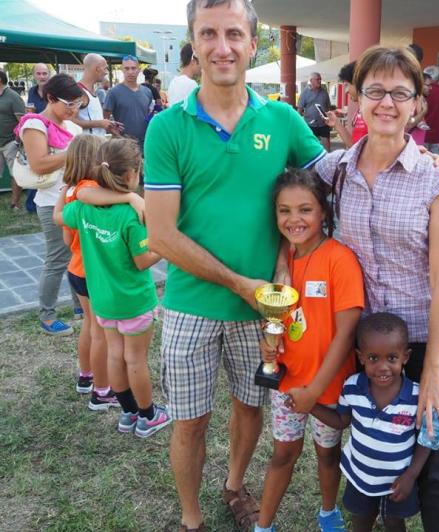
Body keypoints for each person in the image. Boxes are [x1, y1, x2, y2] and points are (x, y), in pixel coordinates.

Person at [143, 1, 327, 529]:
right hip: (191, 305)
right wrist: (240, 284)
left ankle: (233, 485)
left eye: (233, 34)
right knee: (189, 422)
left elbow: (332, 180)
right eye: (208, 34)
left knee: (251, 407)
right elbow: (162, 234)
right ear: (193, 42)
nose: (222, 47)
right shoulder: (167, 127)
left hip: (262, 308)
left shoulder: (282, 119)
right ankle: (191, 517)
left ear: (251, 42)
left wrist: (401, 151)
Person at [315, 46, 439, 532]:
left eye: (400, 93)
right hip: (370, 345)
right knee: (373, 448)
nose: (387, 102)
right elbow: (286, 202)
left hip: (428, 341)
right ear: (356, 98)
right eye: (375, 91)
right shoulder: (335, 169)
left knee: (438, 471)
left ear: (417, 104)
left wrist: (433, 370)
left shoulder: (435, 179)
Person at [255, 168, 364, 532]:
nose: (294, 219)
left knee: (327, 453)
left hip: (327, 388)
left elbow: (346, 334)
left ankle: (328, 514)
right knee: (283, 453)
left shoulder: (339, 259)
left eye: (305, 209)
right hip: (287, 384)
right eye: (284, 210)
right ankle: (263, 526)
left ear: (323, 212)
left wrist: (315, 391)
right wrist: (269, 345)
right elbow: (279, 320)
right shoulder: (280, 261)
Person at [57, 138, 171, 437]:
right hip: (133, 301)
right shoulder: (131, 215)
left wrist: (66, 190)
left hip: (103, 301)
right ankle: (148, 416)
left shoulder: (82, 208)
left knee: (115, 355)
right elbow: (142, 261)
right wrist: (163, 247)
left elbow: (59, 216)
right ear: (133, 174)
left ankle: (128, 413)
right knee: (135, 360)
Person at [310, 313, 432, 532]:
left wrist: (411, 475)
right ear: (361, 357)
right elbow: (341, 421)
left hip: (398, 481)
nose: (383, 367)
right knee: (361, 521)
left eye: (392, 358)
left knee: (394, 523)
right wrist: (309, 405)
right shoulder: (352, 387)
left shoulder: (416, 396)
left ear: (405, 357)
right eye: (374, 358)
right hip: (360, 477)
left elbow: (427, 437)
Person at [51, 134, 119, 410]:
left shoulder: (69, 190)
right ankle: (102, 392)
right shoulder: (90, 191)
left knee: (89, 325)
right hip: (94, 272)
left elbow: (67, 238)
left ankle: (86, 376)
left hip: (76, 268)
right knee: (101, 331)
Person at [15, 73, 83, 336]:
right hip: (51, 202)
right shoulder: (35, 125)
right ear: (51, 98)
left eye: (77, 104)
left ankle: (80, 307)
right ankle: (47, 315)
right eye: (69, 104)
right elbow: (39, 164)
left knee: (80, 255)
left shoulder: (72, 127)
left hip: (77, 199)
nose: (73, 110)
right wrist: (76, 151)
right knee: (57, 260)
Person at [103, 56, 154, 150]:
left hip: (144, 144)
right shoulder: (113, 92)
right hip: (122, 146)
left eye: (133, 68)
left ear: (139, 70)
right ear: (122, 69)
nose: (130, 72)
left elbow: (148, 114)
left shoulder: (147, 92)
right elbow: (105, 120)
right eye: (127, 68)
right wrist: (117, 135)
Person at [73, 53, 121, 137]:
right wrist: (100, 123)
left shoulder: (93, 90)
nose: (106, 72)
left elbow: (93, 119)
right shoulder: (78, 91)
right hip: (86, 144)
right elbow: (71, 122)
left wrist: (107, 124)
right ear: (97, 69)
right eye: (105, 68)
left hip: (97, 143)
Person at [0, 69, 26, 212]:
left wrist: (17, 141)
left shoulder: (13, 97)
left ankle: (14, 204)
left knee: (16, 174)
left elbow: (22, 122)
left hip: (10, 142)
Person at [325, 61, 367, 148]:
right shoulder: (360, 109)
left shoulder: (374, 112)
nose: (346, 91)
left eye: (347, 85)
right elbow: (354, 147)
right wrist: (336, 123)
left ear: (357, 83)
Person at [298, 72, 332, 151]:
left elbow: (328, 107)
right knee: (310, 147)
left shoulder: (324, 92)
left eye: (320, 79)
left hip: (324, 123)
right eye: (317, 79)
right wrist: (299, 124)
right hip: (310, 124)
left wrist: (329, 120)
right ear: (311, 80)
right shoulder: (305, 92)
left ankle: (327, 157)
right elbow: (300, 109)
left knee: (327, 147)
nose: (320, 81)